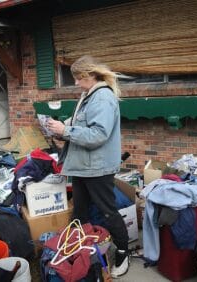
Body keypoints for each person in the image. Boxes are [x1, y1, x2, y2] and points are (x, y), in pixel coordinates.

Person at [46, 55, 130, 278]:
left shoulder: (102, 98)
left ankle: (123, 250)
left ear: (91, 75)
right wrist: (62, 127)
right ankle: (84, 248)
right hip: (82, 165)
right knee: (80, 211)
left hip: (98, 167)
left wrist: (65, 131)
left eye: (78, 78)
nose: (75, 83)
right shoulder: (88, 95)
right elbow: (82, 124)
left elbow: (98, 134)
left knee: (107, 211)